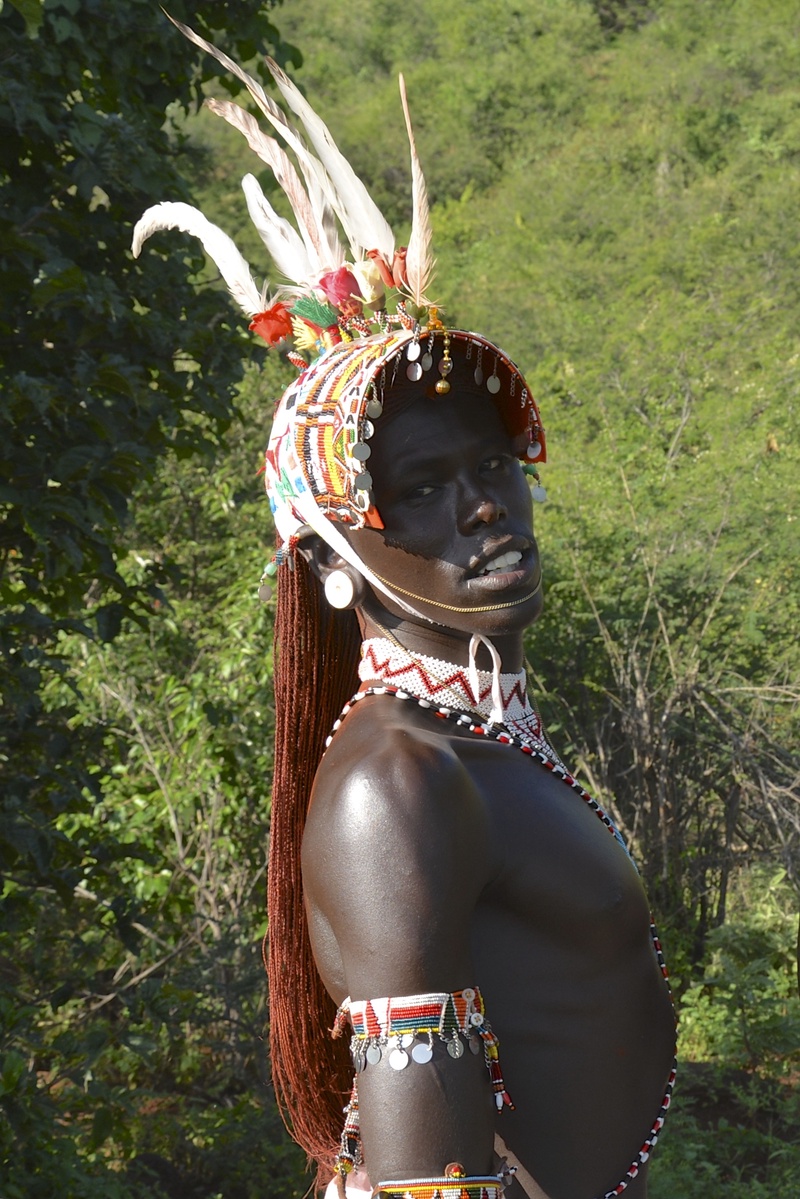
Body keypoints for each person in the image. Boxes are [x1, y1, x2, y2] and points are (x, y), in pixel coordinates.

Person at [133, 20, 677, 1199]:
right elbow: (429, 1182)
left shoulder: (472, 743)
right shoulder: (397, 782)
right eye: (418, 489)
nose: (483, 510)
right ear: (335, 549)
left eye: (492, 468)